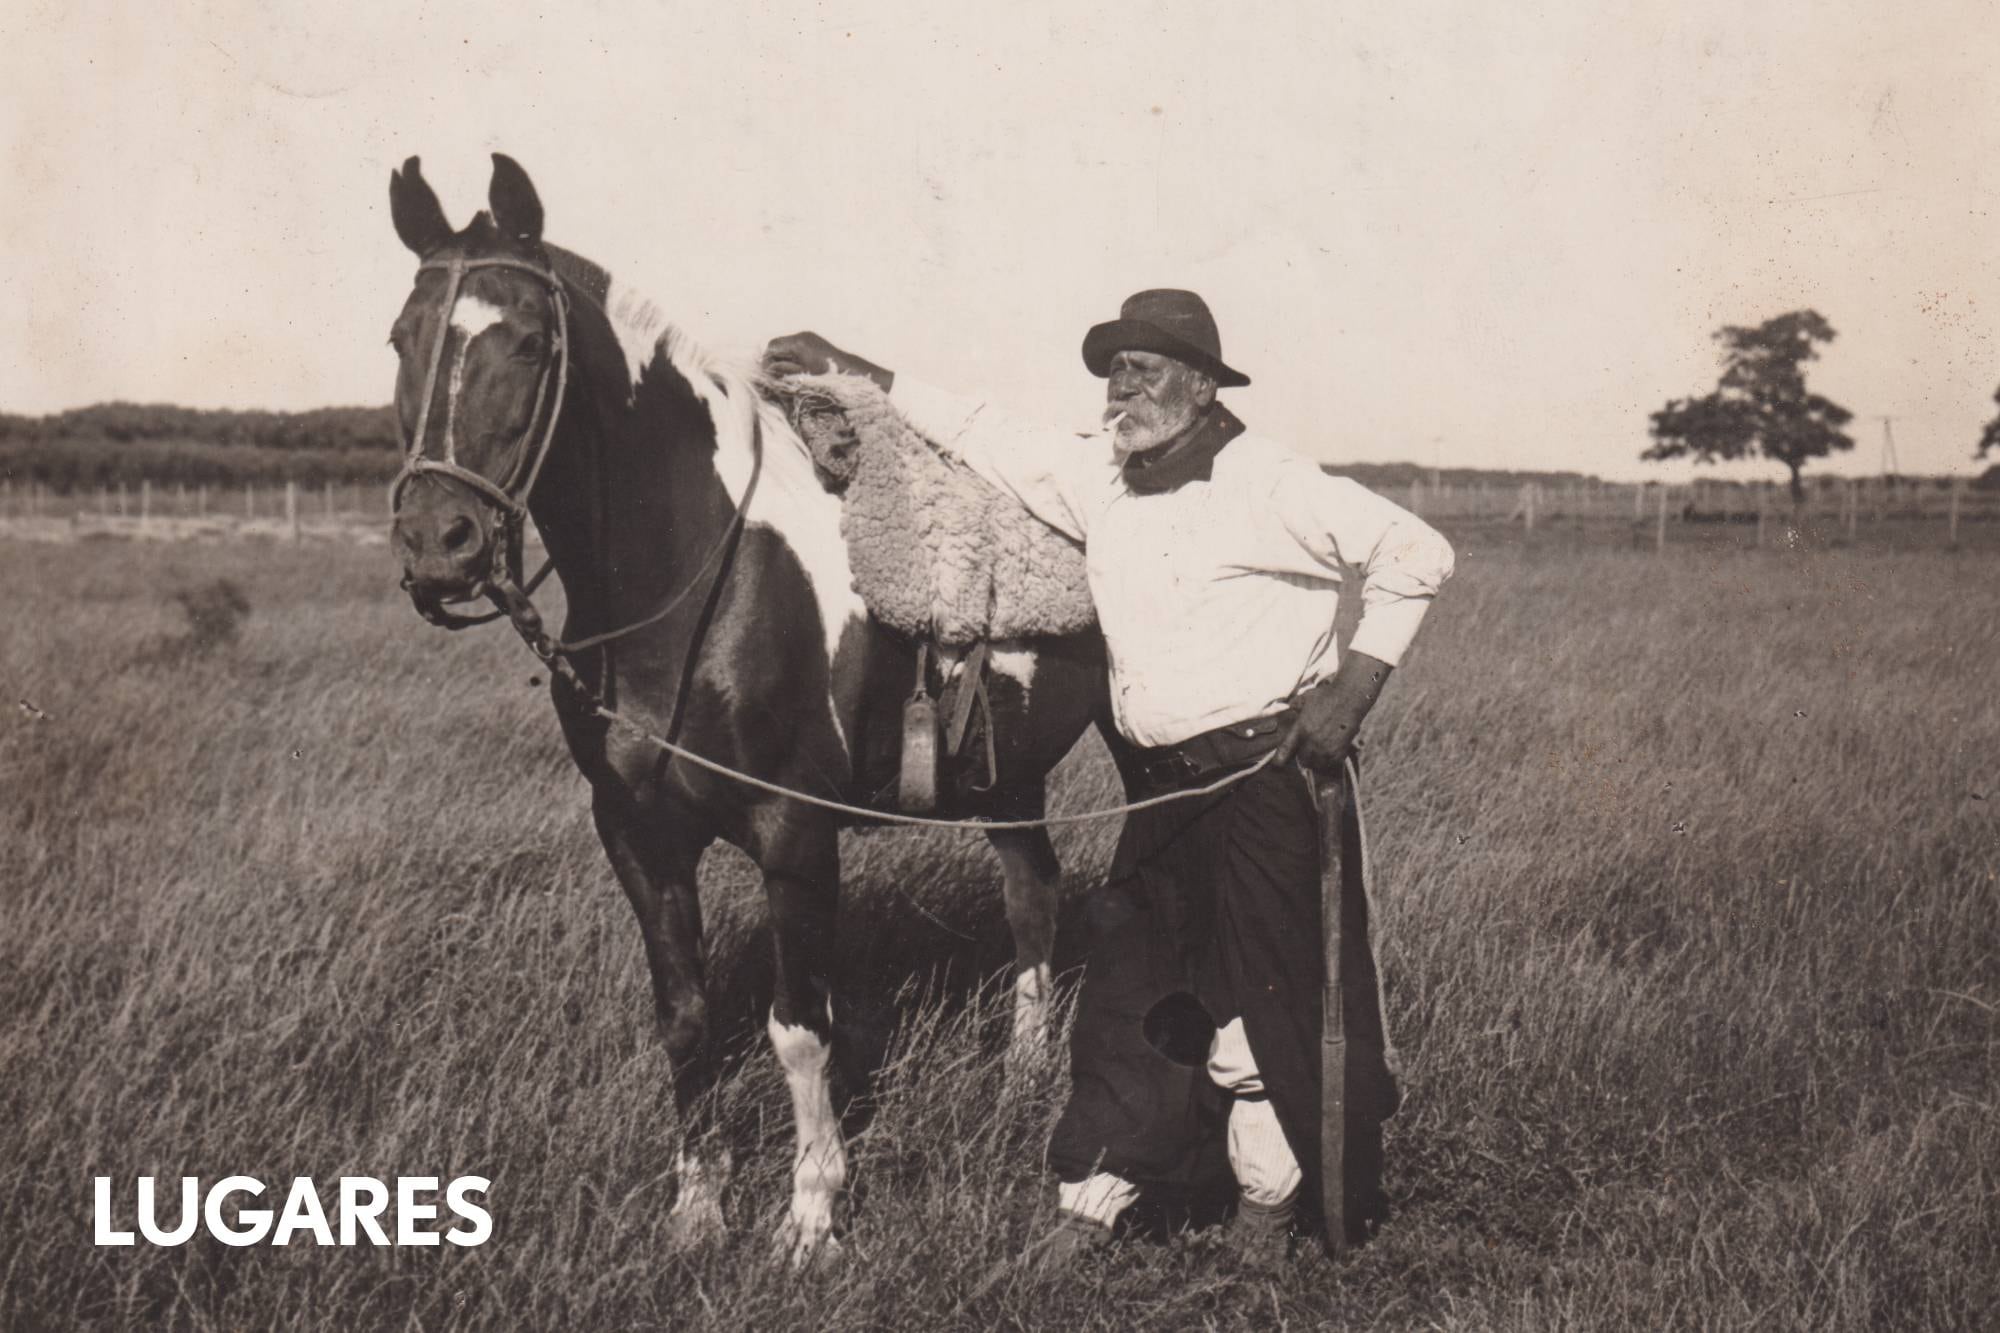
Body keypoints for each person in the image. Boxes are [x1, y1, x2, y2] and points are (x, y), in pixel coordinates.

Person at [763, 289, 1454, 1267]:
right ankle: (1094, 1204)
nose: (1121, 388)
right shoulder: (1100, 476)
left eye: (1146, 369)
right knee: (1131, 999)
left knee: (1264, 1003)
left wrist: (1349, 694)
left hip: (1265, 782)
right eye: (1113, 370)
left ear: (1202, 386)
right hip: (1160, 794)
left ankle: (1269, 1211)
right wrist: (850, 366)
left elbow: (1416, 551)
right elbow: (976, 427)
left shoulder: (1269, 483)